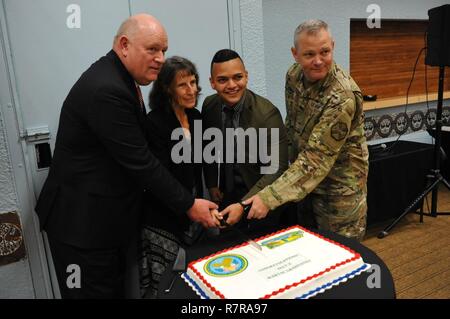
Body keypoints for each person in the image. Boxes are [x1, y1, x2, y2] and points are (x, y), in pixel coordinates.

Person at [34, 14, 219, 299]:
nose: (160, 58)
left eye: (164, 51)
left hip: (107, 223)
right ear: (124, 45)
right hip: (82, 227)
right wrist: (189, 204)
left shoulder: (122, 79)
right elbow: (140, 161)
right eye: (153, 49)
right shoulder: (107, 89)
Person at [243, 20, 369, 241]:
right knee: (308, 246)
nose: (318, 61)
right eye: (309, 54)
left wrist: (270, 197)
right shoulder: (293, 76)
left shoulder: (342, 96)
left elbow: (317, 159)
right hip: (303, 184)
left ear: (333, 46)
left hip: (339, 190)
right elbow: (292, 126)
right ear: (295, 54)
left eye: (325, 52)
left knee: (340, 255)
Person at [139, 56, 205, 298]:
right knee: (164, 283)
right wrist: (186, 204)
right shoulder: (154, 123)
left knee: (194, 278)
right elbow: (159, 176)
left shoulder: (197, 117)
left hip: (193, 210)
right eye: (183, 85)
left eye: (194, 82)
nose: (192, 90)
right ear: (167, 88)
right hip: (162, 216)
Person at [202, 49, 288, 232]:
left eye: (238, 77)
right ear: (212, 83)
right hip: (227, 194)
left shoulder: (267, 114)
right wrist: (211, 183)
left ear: (246, 77)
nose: (232, 85)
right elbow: (208, 147)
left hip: (261, 197)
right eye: (223, 80)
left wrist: (243, 205)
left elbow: (277, 169)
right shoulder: (209, 106)